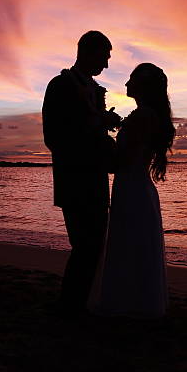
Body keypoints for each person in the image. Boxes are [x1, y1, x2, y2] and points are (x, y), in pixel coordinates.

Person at [42, 31, 121, 314]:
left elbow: (94, 132)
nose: (107, 65)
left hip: (96, 180)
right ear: (87, 52)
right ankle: (71, 307)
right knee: (85, 245)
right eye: (105, 57)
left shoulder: (95, 90)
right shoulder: (61, 85)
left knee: (94, 245)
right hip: (74, 180)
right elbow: (54, 137)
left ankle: (79, 304)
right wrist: (100, 121)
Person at [90, 63, 175, 317]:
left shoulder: (143, 116)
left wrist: (101, 136)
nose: (126, 84)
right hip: (135, 188)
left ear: (143, 86)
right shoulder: (146, 115)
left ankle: (129, 305)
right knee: (133, 246)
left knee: (130, 245)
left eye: (131, 79)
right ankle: (136, 302)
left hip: (132, 190)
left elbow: (120, 161)